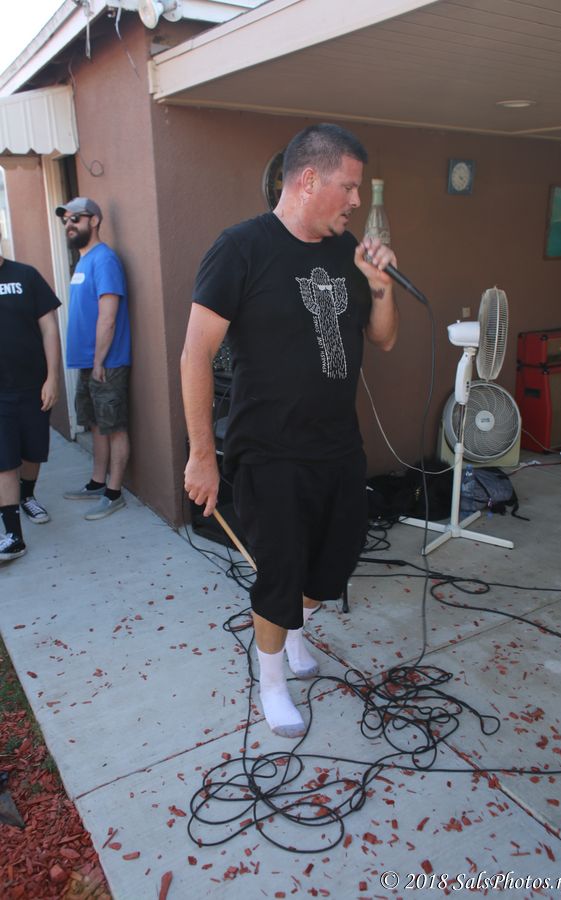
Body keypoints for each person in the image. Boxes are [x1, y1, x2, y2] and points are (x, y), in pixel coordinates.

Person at [181, 123, 398, 738]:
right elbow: (195, 355)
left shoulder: (346, 250)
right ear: (307, 179)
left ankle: (294, 633)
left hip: (338, 445)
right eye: (348, 186)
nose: (356, 200)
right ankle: (272, 681)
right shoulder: (241, 248)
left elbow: (383, 338)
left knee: (332, 565)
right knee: (280, 572)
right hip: (269, 450)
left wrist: (380, 288)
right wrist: (202, 455)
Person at [56, 198, 131, 520]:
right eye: (65, 221)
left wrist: (100, 360)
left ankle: (114, 494)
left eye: (76, 218)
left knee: (114, 426)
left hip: (107, 362)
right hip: (89, 362)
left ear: (95, 220)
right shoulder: (84, 261)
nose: (69, 224)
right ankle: (97, 483)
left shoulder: (104, 260)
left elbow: (108, 316)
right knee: (97, 424)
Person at [0, 235, 61, 562]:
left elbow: (49, 328)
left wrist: (52, 377)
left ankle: (28, 496)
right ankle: (14, 536)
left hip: (33, 386)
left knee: (32, 450)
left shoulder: (26, 276)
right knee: (5, 459)